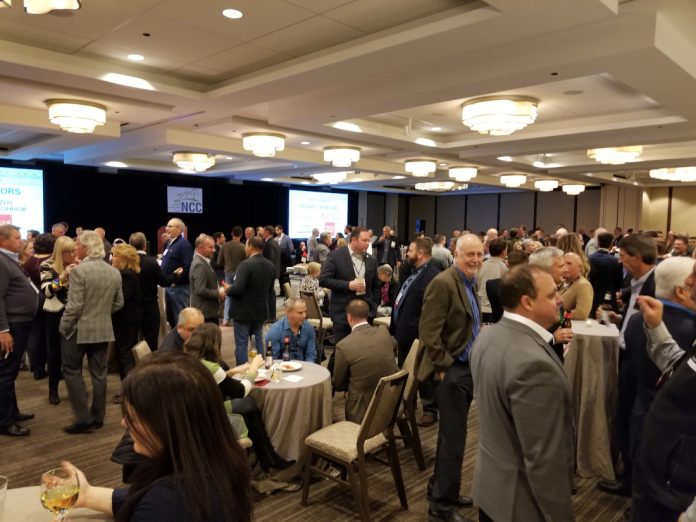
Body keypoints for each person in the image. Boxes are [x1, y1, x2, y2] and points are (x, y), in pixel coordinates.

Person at [65, 351, 252, 521]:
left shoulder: (166, 503)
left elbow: (159, 504)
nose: (124, 424)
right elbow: (139, 498)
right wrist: (87, 494)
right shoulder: (217, 465)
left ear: (168, 424)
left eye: (133, 417)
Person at [471, 265, 575, 522]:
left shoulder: (487, 336)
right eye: (551, 295)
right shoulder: (533, 365)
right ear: (527, 302)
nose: (560, 299)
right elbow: (544, 458)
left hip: (492, 489)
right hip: (523, 503)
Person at [418, 234, 484, 521]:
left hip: (465, 368)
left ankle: (440, 488)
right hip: (451, 370)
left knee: (452, 438)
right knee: (454, 440)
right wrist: (444, 367)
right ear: (455, 254)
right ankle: (441, 505)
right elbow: (428, 332)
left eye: (479, 254)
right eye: (469, 255)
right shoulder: (443, 283)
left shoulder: (469, 281)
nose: (475, 260)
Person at [184, 324, 294, 473]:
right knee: (247, 403)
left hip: (190, 413)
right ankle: (268, 456)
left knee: (247, 405)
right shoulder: (211, 366)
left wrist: (235, 370)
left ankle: (266, 456)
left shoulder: (189, 360)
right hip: (206, 415)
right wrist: (254, 367)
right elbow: (240, 391)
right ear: (213, 344)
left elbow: (214, 379)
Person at [597, 234, 657, 498]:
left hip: (642, 363)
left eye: (623, 256)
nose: (619, 260)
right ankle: (627, 475)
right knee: (623, 417)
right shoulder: (634, 282)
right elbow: (634, 320)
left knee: (637, 423)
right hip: (627, 358)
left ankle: (634, 483)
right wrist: (616, 318)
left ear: (636, 257)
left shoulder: (656, 285)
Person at [630, 282, 696, 522]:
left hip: (677, 495)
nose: (688, 280)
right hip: (661, 480)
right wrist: (656, 327)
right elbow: (682, 371)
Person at [59, 230, 124, 434]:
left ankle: (82, 419)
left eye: (78, 244)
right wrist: (102, 313)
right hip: (103, 330)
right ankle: (98, 417)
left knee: (72, 371)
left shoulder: (79, 271)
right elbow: (119, 303)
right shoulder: (114, 271)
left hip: (77, 330)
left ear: (86, 247)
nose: (75, 247)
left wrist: (62, 327)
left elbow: (75, 306)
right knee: (99, 374)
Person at [0, 224, 38, 437]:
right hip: (11, 325)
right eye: (16, 238)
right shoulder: (1, 261)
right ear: (3, 241)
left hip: (19, 322)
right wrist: (3, 330)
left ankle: (12, 412)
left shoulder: (9, 259)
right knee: (6, 373)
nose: (21, 241)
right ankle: (5, 421)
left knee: (11, 371)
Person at [333, 299, 397, 423]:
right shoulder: (384, 332)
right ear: (368, 315)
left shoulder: (344, 345)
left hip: (362, 409)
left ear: (349, 317)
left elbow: (339, 384)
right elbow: (393, 347)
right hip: (392, 399)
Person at [319, 226, 379, 348]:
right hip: (342, 314)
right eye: (364, 241)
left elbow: (375, 286)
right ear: (354, 240)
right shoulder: (336, 256)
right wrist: (348, 285)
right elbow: (324, 280)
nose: (368, 244)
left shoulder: (371, 260)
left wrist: (373, 307)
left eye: (369, 241)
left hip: (365, 316)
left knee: (362, 351)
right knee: (342, 351)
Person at [224, 236, 276, 364]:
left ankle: (242, 372)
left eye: (246, 245)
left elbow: (238, 289)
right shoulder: (270, 265)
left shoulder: (245, 265)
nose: (245, 248)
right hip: (261, 311)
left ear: (251, 247)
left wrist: (227, 289)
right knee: (258, 341)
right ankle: (260, 368)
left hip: (243, 312)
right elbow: (271, 291)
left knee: (241, 344)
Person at [40, 235, 76, 405]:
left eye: (73, 250)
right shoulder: (46, 265)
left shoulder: (77, 264)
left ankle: (75, 389)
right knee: (54, 353)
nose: (72, 254)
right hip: (54, 313)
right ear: (60, 252)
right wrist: (63, 276)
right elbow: (47, 291)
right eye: (68, 251)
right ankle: (53, 390)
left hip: (74, 313)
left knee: (74, 353)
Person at [129, 232, 177, 351]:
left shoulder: (126, 263)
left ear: (130, 246)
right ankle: (150, 366)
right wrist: (175, 275)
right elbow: (164, 282)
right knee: (151, 339)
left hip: (131, 307)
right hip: (149, 306)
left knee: (132, 339)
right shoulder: (151, 262)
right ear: (145, 246)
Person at [110, 244, 142, 398]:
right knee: (124, 354)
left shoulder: (126, 275)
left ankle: (128, 391)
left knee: (124, 355)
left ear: (124, 258)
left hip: (126, 321)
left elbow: (122, 299)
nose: (112, 258)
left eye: (115, 255)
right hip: (128, 319)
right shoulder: (130, 273)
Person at [161, 218, 193, 329]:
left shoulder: (184, 245)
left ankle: (183, 344)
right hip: (170, 286)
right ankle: (176, 342)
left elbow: (187, 266)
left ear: (179, 229)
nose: (167, 228)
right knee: (171, 318)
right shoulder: (169, 243)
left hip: (179, 288)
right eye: (167, 225)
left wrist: (176, 281)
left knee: (180, 319)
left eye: (170, 226)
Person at [189, 234, 225, 324]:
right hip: (205, 313)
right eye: (210, 247)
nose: (214, 250)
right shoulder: (199, 265)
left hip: (208, 312)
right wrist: (218, 293)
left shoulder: (204, 261)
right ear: (201, 248)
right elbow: (200, 290)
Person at [217, 226, 246, 327]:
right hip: (240, 274)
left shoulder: (225, 246)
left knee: (228, 295)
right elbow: (246, 262)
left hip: (228, 273)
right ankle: (239, 318)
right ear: (241, 234)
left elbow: (219, 262)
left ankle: (226, 319)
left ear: (231, 234)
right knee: (240, 295)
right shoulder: (243, 247)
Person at [588, 231, 623, 316]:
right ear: (611, 244)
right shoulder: (615, 261)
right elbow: (619, 283)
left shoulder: (589, 259)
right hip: (609, 299)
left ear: (598, 243)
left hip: (591, 297)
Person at [476, 238, 508, 323]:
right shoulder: (503, 267)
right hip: (494, 310)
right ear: (504, 251)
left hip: (480, 308)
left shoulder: (481, 265)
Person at [559, 252, 593, 320]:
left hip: (568, 327)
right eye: (563, 263)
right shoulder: (561, 282)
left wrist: (557, 315)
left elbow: (581, 314)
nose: (564, 266)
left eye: (569, 263)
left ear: (579, 267)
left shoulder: (584, 285)